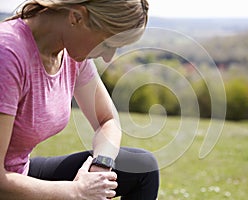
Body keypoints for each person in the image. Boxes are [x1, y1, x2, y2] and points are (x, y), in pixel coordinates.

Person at [0, 0, 160, 199]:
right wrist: (76, 192)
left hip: (20, 172)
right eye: (108, 44)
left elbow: (107, 120)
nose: (109, 57)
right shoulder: (7, 54)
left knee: (143, 168)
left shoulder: (69, 55)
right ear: (76, 17)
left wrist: (100, 166)